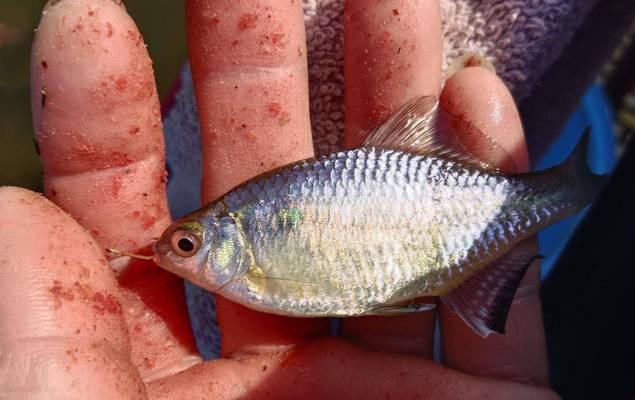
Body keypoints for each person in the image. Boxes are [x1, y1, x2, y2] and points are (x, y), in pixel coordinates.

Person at [0, 0, 561, 398]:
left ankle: (570, 188)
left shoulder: (255, 264)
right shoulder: (248, 251)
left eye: (188, 243)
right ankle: (569, 188)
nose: (176, 254)